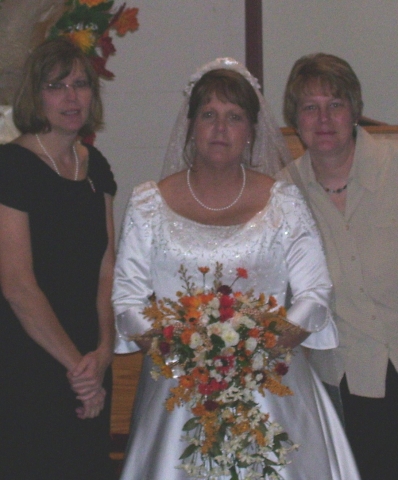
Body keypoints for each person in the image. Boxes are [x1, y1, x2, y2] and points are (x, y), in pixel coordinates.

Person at [112, 57, 360, 480]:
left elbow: (314, 292)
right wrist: (185, 353)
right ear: (190, 125)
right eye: (209, 115)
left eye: (234, 117)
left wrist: (257, 349)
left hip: (271, 383)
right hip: (181, 388)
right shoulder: (148, 204)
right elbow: (126, 301)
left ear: (251, 132)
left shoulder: (283, 202)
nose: (221, 128)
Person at [0, 37, 117, 479]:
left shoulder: (96, 165)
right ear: (36, 94)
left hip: (89, 358)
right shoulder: (11, 166)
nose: (72, 97)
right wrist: (78, 368)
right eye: (56, 85)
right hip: (29, 359)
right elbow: (16, 284)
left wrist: (104, 351)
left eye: (81, 84)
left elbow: (107, 264)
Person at [279, 52, 398, 480]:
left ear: (355, 110)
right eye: (310, 107)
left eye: (335, 104)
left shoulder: (395, 165)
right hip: (346, 379)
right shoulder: (283, 192)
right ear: (295, 118)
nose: (324, 118)